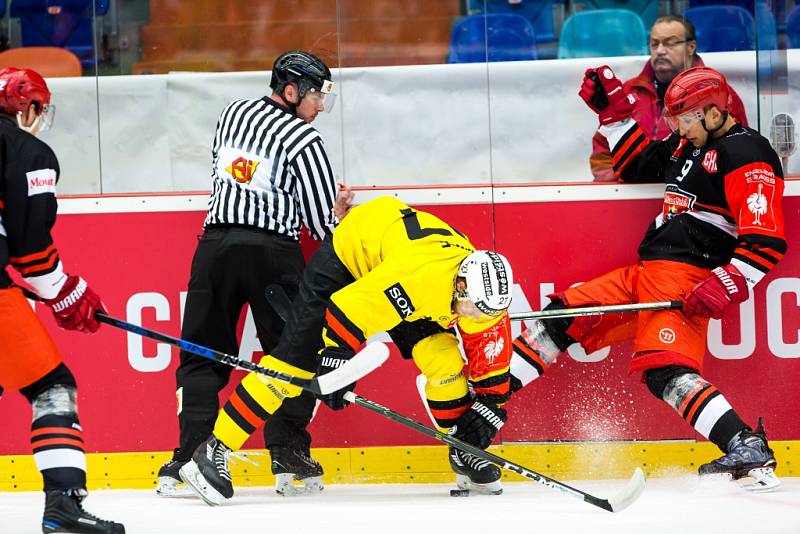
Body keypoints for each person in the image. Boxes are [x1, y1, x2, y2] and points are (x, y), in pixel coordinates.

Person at [510, 65, 785, 492]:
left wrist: (726, 282)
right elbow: (637, 164)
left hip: (683, 276)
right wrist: (615, 116)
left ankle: (745, 444)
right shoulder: (687, 144)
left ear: (714, 112)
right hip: (646, 272)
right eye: (674, 120)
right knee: (559, 317)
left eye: (685, 119)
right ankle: (483, 406)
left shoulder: (747, 153)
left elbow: (766, 240)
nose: (678, 128)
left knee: (666, 372)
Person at [178, 196, 516, 504]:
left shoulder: (482, 300)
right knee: (292, 365)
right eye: (470, 308)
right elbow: (348, 308)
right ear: (460, 284)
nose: (473, 316)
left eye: (480, 312)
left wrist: (490, 407)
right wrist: (335, 362)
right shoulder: (422, 278)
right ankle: (213, 449)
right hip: (350, 257)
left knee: (445, 360)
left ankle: (462, 449)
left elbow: (492, 359)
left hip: (397, 265)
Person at [156, 50, 354, 498]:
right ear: (291, 90)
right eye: (317, 96)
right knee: (293, 356)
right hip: (272, 256)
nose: (320, 106)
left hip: (214, 250)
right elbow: (322, 225)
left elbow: (231, 175)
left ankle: (185, 461)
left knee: (201, 355)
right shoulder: (306, 142)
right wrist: (338, 212)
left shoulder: (232, 113)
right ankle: (288, 455)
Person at [0, 68, 125, 532]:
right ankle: (64, 505)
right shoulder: (26, 151)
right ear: (25, 105)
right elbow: (30, 249)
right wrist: (64, 292)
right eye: (38, 108)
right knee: (51, 388)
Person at [590, 15, 749, 182]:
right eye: (654, 43)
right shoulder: (627, 92)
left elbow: (734, 151)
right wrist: (623, 190)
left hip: (693, 197)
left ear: (691, 47)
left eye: (670, 43)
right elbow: (601, 157)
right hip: (629, 196)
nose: (660, 50)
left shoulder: (719, 95)